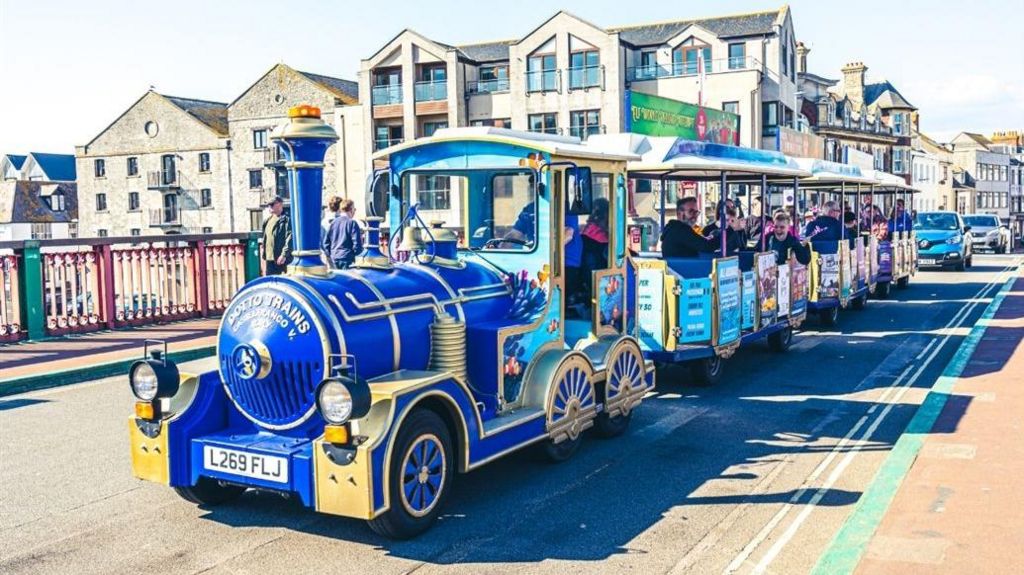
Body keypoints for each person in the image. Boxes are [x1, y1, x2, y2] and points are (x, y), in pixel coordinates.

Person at [323, 198, 363, 269]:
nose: (354, 212)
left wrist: (331, 254)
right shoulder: (352, 223)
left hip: (334, 258)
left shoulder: (333, 223)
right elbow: (357, 244)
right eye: (354, 209)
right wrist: (355, 255)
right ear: (351, 209)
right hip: (347, 259)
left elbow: (326, 243)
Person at [261, 196, 292, 275]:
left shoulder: (287, 220)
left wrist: (284, 255)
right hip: (270, 259)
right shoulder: (267, 221)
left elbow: (290, 238)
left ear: (280, 204)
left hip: (282, 259)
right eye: (268, 205)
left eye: (272, 204)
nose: (269, 207)